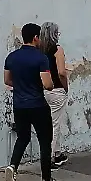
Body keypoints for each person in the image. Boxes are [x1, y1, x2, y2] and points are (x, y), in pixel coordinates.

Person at [3, 23, 59, 181]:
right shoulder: (41, 58)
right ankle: (46, 180)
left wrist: (21, 86)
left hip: (19, 105)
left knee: (23, 137)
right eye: (40, 37)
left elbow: (7, 80)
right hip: (38, 105)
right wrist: (40, 85)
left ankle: (13, 166)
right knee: (44, 140)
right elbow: (48, 84)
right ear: (35, 38)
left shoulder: (11, 57)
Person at [38, 21, 70, 165]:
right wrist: (65, 88)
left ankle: (57, 154)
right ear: (54, 34)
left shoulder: (38, 50)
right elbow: (62, 72)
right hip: (56, 89)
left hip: (41, 90)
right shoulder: (57, 50)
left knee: (48, 123)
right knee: (55, 125)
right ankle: (50, 158)